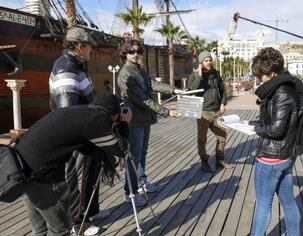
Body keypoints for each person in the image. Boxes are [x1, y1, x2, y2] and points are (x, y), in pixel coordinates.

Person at [15, 91, 130, 236]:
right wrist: (125, 123)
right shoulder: (98, 119)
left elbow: (82, 142)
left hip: (21, 169)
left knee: (41, 229)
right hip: (43, 176)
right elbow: (121, 150)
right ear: (113, 113)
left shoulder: (83, 111)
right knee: (60, 230)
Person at [247, 47, 303, 236]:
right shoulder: (290, 86)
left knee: (263, 203)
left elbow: (275, 129)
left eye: (262, 75)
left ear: (272, 73)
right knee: (288, 201)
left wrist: (254, 129)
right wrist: (251, 123)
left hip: (271, 157)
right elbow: (277, 120)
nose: (260, 79)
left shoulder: (281, 92)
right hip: (286, 156)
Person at [48, 27, 105, 235]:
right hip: (76, 138)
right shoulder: (66, 68)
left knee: (90, 173)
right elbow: (67, 113)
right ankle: (78, 224)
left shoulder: (77, 65)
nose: (92, 50)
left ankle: (88, 213)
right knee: (77, 178)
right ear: (80, 46)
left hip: (87, 134)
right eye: (89, 46)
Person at [117, 39, 182, 205]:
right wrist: (166, 111)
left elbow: (152, 84)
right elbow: (142, 100)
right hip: (134, 120)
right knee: (134, 157)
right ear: (125, 54)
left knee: (142, 154)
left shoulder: (138, 69)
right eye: (132, 52)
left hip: (144, 119)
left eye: (138, 51)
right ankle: (129, 192)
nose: (136, 54)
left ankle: (142, 182)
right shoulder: (126, 74)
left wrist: (173, 89)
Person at [188, 51, 232, 173]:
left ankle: (219, 160)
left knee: (222, 136)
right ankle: (204, 162)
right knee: (202, 139)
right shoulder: (194, 75)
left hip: (216, 111)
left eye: (210, 60)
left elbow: (222, 90)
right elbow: (191, 91)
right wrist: (200, 75)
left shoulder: (215, 74)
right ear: (201, 62)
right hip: (202, 112)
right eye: (206, 60)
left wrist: (223, 103)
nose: (209, 62)